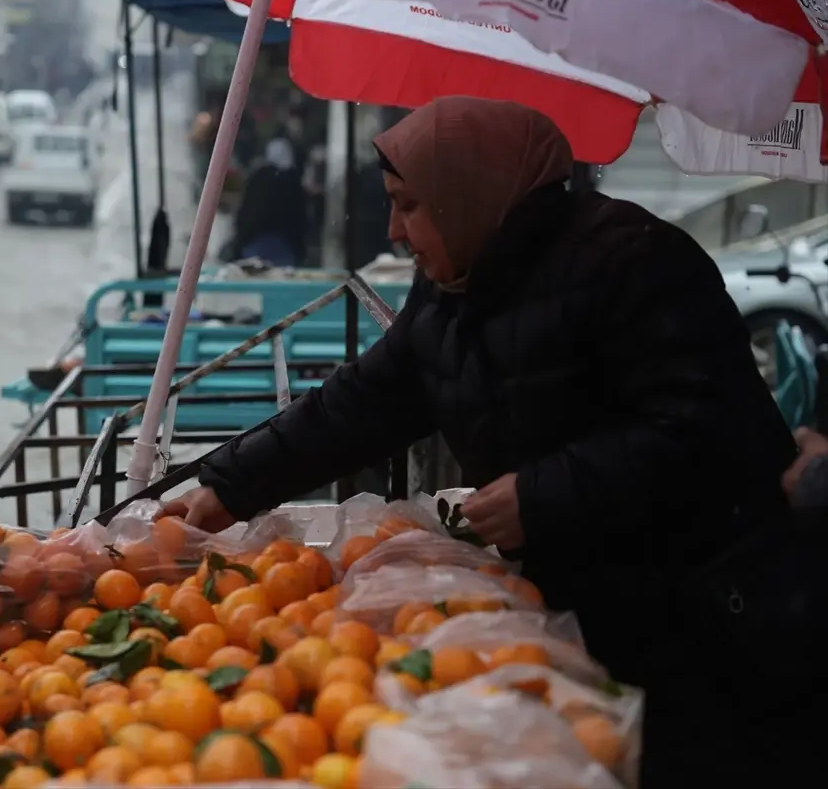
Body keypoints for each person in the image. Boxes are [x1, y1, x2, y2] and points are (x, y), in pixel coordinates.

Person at [160, 97, 820, 785]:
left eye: (408, 205)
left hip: (714, 617)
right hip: (589, 608)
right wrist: (225, 487)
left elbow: (702, 429)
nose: (393, 231)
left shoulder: (636, 260)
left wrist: (542, 493)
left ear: (468, 192)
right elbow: (361, 402)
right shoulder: (456, 284)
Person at [230, 138, 308, 267]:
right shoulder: (294, 182)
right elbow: (299, 218)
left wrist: (240, 242)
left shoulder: (257, 180)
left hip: (256, 241)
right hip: (284, 243)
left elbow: (246, 214)